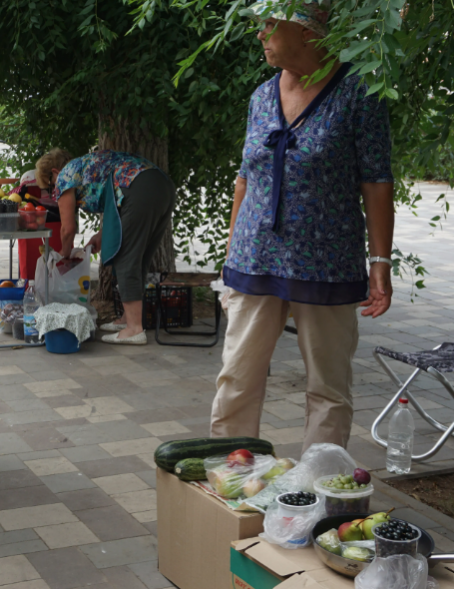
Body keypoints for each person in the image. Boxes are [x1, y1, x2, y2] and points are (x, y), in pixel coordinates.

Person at [211, 0, 395, 452]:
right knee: (237, 374)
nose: (261, 34)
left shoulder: (359, 94)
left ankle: (317, 489)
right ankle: (232, 474)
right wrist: (232, 252)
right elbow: (245, 179)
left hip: (326, 262)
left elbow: (376, 182)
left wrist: (380, 262)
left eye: (270, 24)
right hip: (255, 258)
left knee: (328, 387)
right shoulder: (261, 97)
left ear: (308, 32)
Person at [35, 148, 176, 345]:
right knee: (139, 258)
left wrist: (63, 255)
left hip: (138, 188)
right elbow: (119, 202)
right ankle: (128, 320)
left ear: (55, 172)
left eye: (51, 186)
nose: (54, 191)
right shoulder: (86, 165)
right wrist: (102, 235)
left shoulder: (66, 175)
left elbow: (67, 229)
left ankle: (134, 329)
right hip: (161, 186)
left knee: (126, 257)